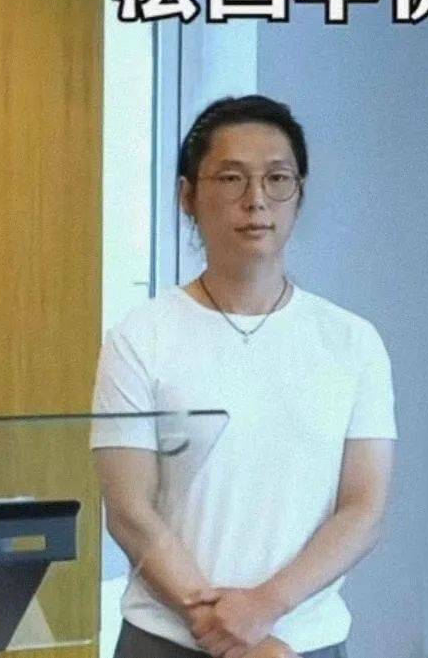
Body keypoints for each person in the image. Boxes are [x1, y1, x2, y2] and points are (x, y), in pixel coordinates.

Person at [91, 95, 397, 658]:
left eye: (277, 179)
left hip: (302, 641)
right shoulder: (140, 336)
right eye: (231, 178)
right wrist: (220, 627)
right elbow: (130, 511)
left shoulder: (353, 341)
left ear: (299, 194)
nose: (256, 200)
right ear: (187, 195)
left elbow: (363, 509)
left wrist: (266, 608)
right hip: (167, 639)